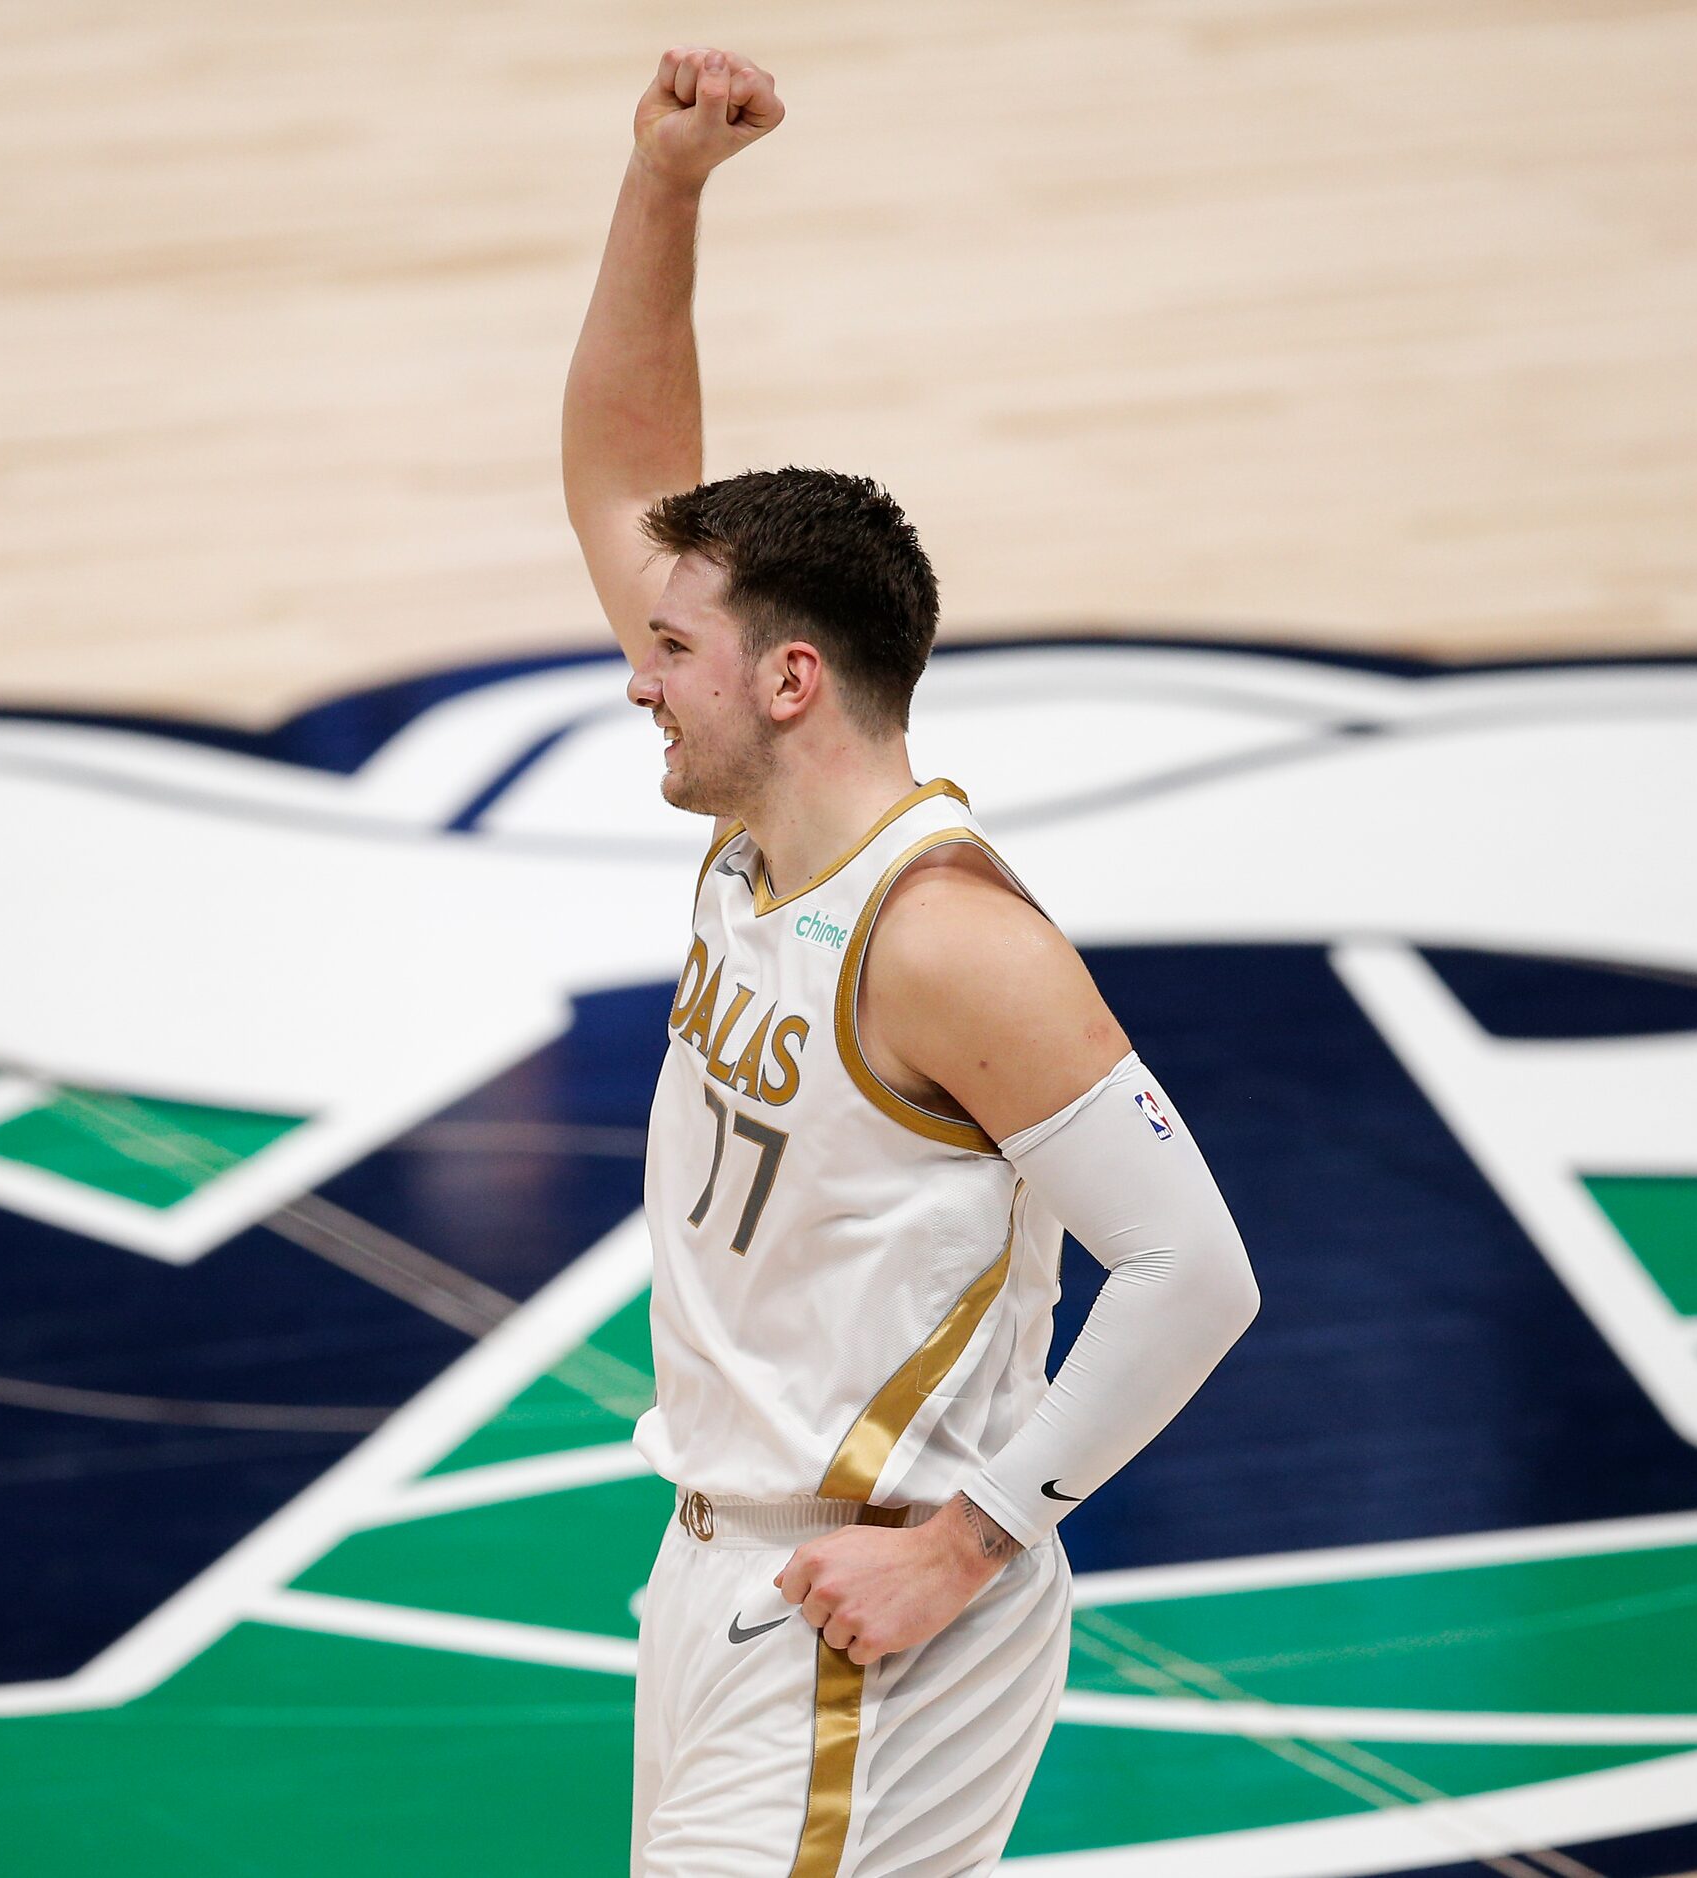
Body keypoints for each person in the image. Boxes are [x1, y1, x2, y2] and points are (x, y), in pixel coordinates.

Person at [564, 45, 1263, 1877]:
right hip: (720, 1573)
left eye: (673, 650)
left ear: (789, 679)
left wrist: (969, 1539)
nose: (636, 674)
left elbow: (1197, 1268)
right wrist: (663, 188)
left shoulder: (945, 938)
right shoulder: (757, 834)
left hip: (867, 1602)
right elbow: (630, 473)